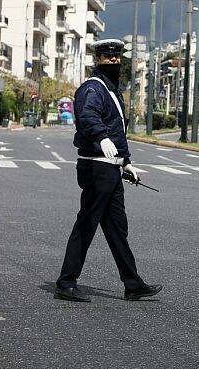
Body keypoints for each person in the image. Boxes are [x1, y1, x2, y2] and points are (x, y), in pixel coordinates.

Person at [55, 39, 162, 303]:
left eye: (117, 57)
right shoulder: (94, 88)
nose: (114, 61)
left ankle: (133, 284)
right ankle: (66, 282)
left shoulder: (112, 90)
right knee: (87, 224)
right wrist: (101, 137)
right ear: (98, 59)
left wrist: (126, 163)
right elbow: (88, 114)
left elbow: (117, 132)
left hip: (110, 169)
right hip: (96, 167)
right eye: (108, 57)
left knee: (116, 228)